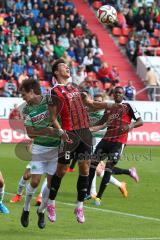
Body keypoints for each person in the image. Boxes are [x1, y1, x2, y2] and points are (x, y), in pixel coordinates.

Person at [46, 59, 112, 224]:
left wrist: (110, 105)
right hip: (69, 134)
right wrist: (61, 132)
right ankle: (51, 203)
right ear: (55, 72)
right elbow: (53, 117)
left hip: (85, 133)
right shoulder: (54, 92)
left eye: (68, 66)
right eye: (63, 66)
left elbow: (89, 105)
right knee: (61, 171)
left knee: (84, 169)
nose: (67, 67)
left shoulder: (74, 88)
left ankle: (79, 206)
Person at [87, 86, 143, 206]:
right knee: (92, 164)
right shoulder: (109, 108)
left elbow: (140, 121)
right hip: (106, 140)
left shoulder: (128, 106)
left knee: (108, 169)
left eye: (120, 93)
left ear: (123, 95)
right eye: (116, 93)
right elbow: (101, 122)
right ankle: (87, 192)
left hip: (118, 142)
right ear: (113, 95)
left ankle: (99, 197)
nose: (117, 94)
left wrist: (129, 126)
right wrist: (88, 128)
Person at [19, 79, 62, 229]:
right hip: (39, 148)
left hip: (56, 149)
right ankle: (25, 209)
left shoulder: (49, 101)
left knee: (51, 184)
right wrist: (46, 130)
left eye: (23, 94)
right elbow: (30, 134)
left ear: (31, 90)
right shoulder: (26, 110)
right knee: (35, 181)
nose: (22, 97)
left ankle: (41, 211)